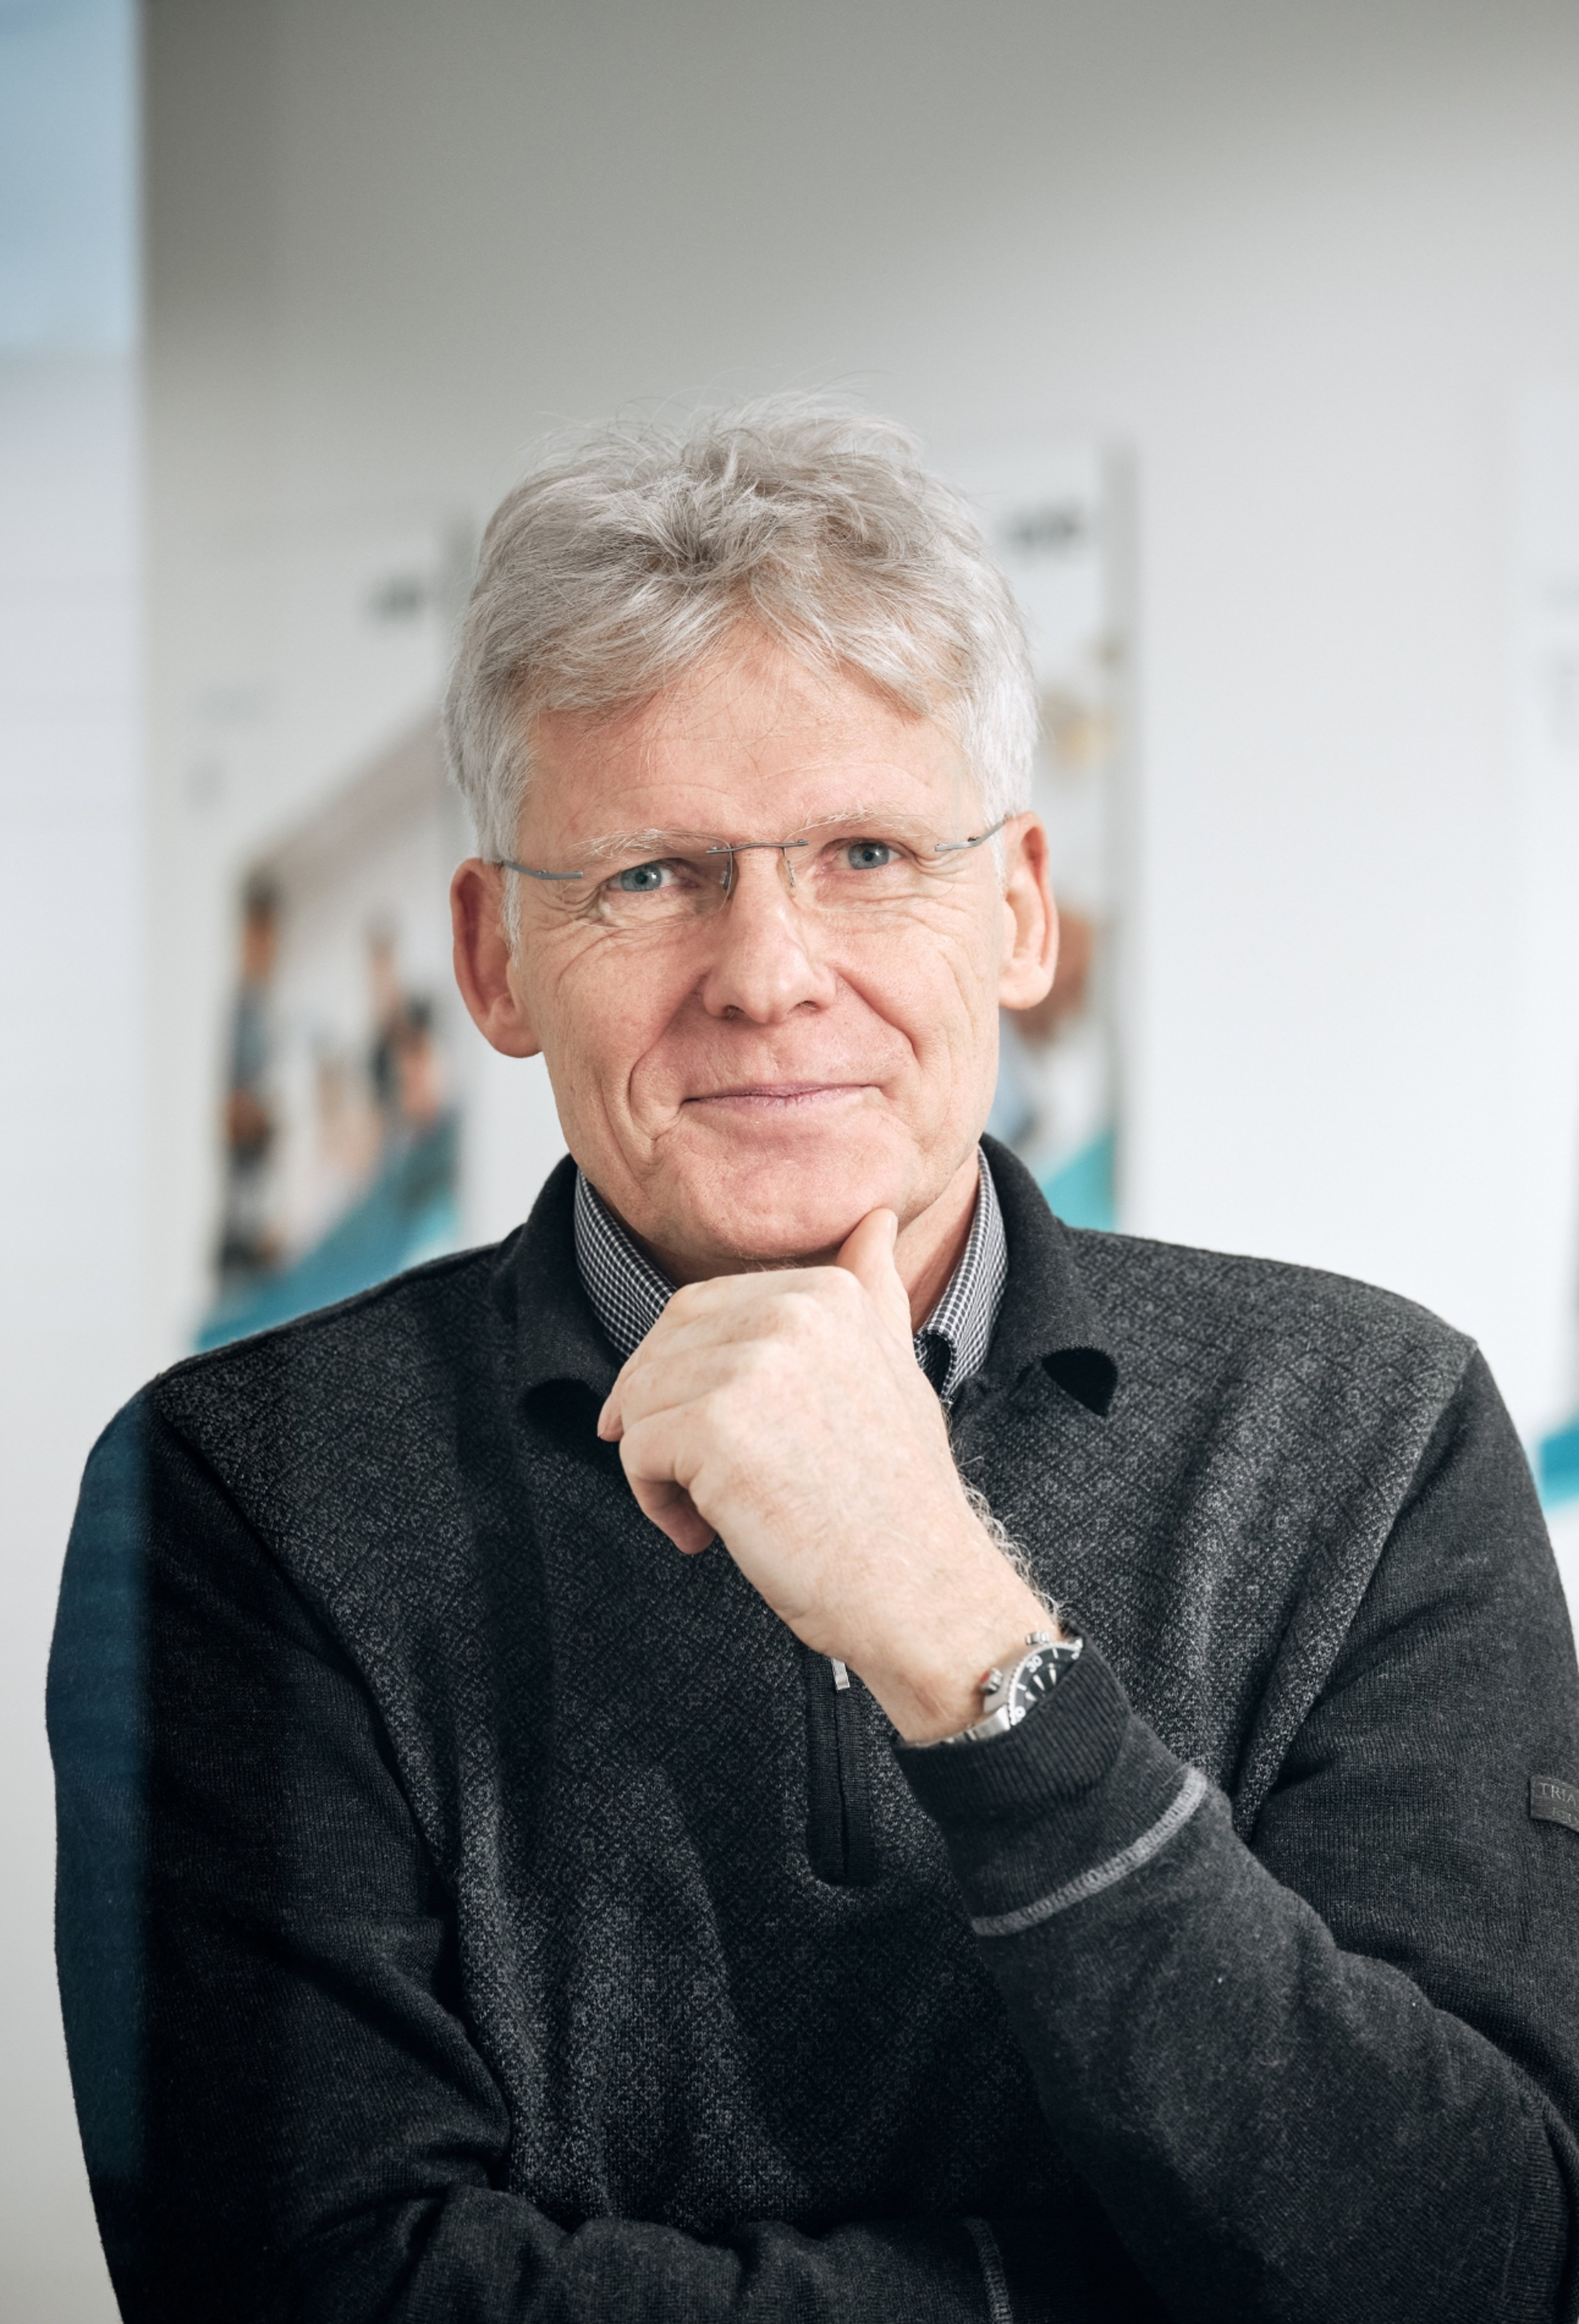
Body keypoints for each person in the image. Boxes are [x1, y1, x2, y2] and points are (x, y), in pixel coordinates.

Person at [49, 402, 1579, 2324]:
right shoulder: (243, 1486)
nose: (769, 970)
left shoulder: (1375, 1434)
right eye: (652, 874)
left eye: (866, 849)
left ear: (1019, 906)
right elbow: (307, 2287)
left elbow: (1488, 2264)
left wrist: (953, 1625)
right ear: (493, 955)